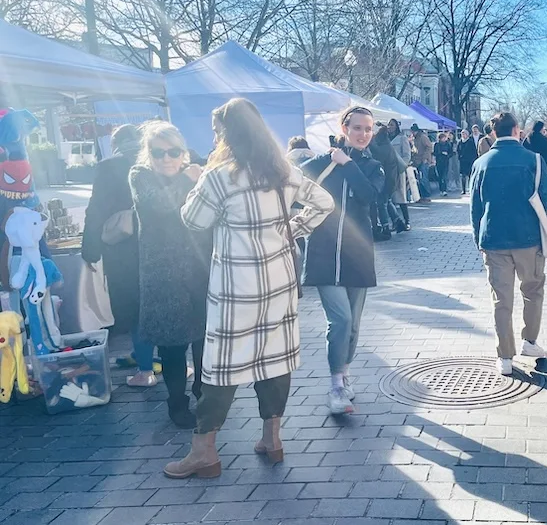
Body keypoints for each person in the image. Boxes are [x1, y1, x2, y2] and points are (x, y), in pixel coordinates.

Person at [166, 98, 334, 479]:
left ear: (227, 134)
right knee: (274, 359)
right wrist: (294, 229)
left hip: (236, 289)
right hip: (279, 283)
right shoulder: (283, 171)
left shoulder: (219, 176)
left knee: (221, 367)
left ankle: (204, 451)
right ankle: (271, 440)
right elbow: (324, 202)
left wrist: (196, 182)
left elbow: (193, 220)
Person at [300, 106, 384, 415]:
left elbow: (370, 196)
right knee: (341, 319)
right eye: (358, 128)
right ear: (344, 128)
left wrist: (348, 164)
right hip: (323, 252)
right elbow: (292, 184)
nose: (363, 134)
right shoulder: (322, 163)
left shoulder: (374, 166)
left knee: (353, 326)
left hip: (357, 254)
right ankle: (336, 385)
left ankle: (344, 373)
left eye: (368, 129)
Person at [128, 121, 212, 429]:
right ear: (148, 153)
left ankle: (204, 394)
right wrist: (187, 180)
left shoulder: (198, 175)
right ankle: (177, 403)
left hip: (200, 270)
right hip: (163, 276)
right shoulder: (140, 176)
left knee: (205, 341)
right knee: (173, 346)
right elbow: (160, 204)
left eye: (173, 151)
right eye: (158, 151)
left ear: (183, 153)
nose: (165, 158)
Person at [471, 113, 547, 375]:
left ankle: (505, 356)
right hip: (528, 238)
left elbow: (475, 207)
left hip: (493, 238)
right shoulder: (534, 160)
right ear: (517, 130)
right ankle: (530, 341)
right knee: (532, 290)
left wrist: (479, 238)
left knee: (501, 299)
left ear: (494, 133)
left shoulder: (481, 163)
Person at [81, 124, 154, 387]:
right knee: (157, 304)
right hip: (157, 245)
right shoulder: (155, 160)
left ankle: (146, 370)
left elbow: (95, 210)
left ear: (115, 143)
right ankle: (148, 357)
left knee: (134, 308)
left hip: (122, 249)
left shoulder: (108, 167)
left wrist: (90, 250)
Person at [369, 126, 403, 239]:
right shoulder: (388, 145)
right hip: (391, 179)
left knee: (381, 204)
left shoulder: (384, 147)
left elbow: (378, 155)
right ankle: (398, 222)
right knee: (387, 201)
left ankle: (386, 227)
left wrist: (369, 142)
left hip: (386, 180)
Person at [387, 119, 412, 230]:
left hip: (398, 170)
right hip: (388, 170)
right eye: (389, 125)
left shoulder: (402, 138)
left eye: (392, 125)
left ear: (397, 126)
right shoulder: (385, 139)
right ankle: (395, 222)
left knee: (401, 196)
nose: (390, 127)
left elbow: (407, 155)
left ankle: (407, 221)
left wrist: (403, 166)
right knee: (389, 198)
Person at [412, 125, 434, 203]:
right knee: (420, 179)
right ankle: (421, 196)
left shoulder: (423, 137)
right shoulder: (415, 138)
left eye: (413, 131)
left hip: (423, 161)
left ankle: (427, 196)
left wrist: (425, 158)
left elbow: (429, 147)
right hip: (417, 161)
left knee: (424, 178)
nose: (412, 133)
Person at [457, 128, 477, 195]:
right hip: (463, 161)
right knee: (463, 176)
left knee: (470, 175)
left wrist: (473, 159)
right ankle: (463, 189)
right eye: (462, 134)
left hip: (469, 161)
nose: (463, 135)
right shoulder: (460, 142)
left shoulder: (471, 141)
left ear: (467, 134)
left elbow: (474, 151)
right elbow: (458, 150)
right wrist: (460, 157)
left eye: (465, 133)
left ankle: (471, 188)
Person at [433, 131, 453, 196]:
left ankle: (444, 190)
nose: (444, 139)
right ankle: (441, 189)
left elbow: (451, 153)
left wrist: (447, 155)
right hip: (439, 162)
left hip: (445, 162)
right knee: (440, 176)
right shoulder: (437, 144)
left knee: (444, 176)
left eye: (445, 138)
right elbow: (435, 153)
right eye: (442, 138)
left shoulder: (448, 144)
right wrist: (441, 153)